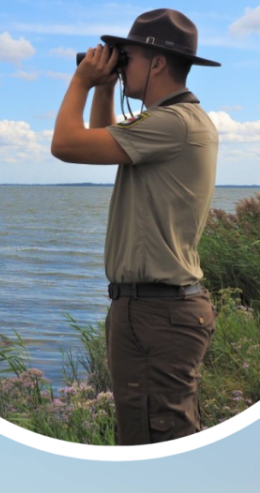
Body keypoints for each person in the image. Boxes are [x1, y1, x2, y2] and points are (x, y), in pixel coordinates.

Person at [51, 9, 220, 445]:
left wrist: (82, 82)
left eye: (126, 58)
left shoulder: (172, 122)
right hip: (155, 310)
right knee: (151, 433)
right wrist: (105, 88)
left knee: (154, 438)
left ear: (158, 62)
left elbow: (66, 145)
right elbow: (101, 140)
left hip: (157, 313)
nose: (119, 66)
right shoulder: (171, 122)